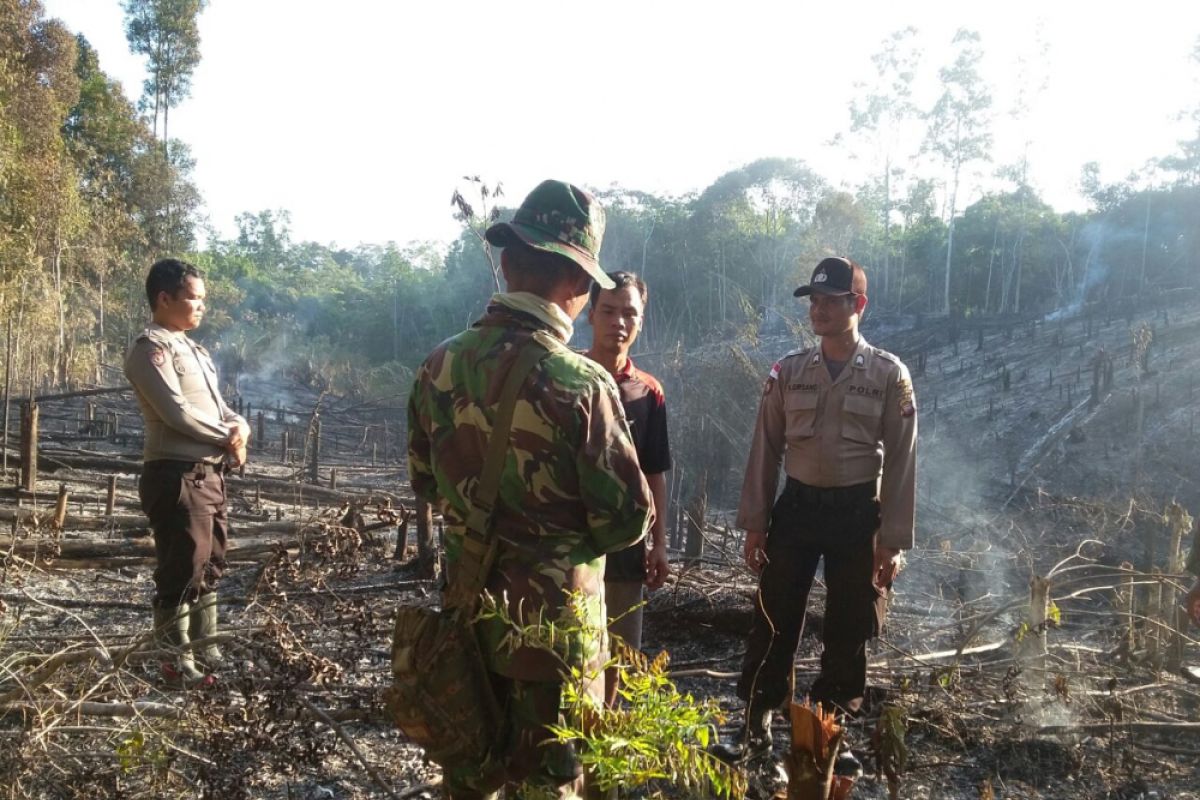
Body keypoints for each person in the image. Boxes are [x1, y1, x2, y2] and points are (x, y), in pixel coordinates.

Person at [407, 180, 653, 799]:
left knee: (469, 777)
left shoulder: (437, 364)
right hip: (555, 636)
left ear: (508, 262)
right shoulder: (580, 382)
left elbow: (425, 483)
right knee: (551, 787)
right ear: (578, 285)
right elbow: (627, 519)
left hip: (465, 615)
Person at [714, 256, 917, 762]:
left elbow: (902, 460)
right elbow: (765, 448)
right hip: (798, 510)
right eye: (814, 301)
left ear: (858, 305)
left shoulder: (889, 375)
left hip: (857, 516)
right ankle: (756, 723)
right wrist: (755, 525)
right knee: (773, 616)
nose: (819, 309)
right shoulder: (788, 371)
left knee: (849, 626)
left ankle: (827, 735)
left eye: (831, 300)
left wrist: (890, 541)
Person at [124, 258, 250, 684]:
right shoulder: (149, 348)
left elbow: (220, 407)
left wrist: (240, 426)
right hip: (176, 473)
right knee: (182, 565)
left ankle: (204, 649)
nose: (201, 307)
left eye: (202, 300)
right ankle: (174, 661)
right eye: (193, 298)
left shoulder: (195, 350)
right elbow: (176, 413)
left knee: (211, 560)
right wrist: (225, 437)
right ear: (164, 298)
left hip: (209, 474)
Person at [584, 271, 672, 707]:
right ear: (590, 313)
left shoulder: (648, 392)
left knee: (620, 650)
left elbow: (655, 473)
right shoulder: (565, 378)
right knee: (569, 645)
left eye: (629, 313)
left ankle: (608, 740)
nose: (619, 321)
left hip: (626, 543)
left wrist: (659, 544)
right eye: (608, 310)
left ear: (641, 320)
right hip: (572, 543)